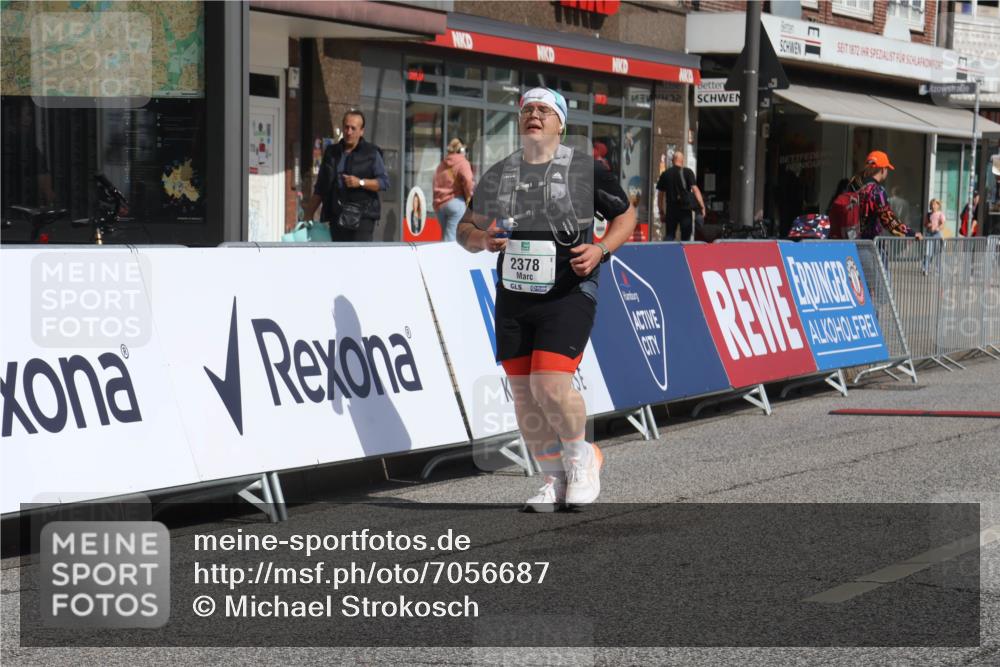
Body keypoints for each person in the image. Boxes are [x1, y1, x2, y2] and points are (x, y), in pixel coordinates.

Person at [456, 87, 636, 512]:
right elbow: (464, 229)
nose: (533, 115)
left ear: (560, 123)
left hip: (569, 291)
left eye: (543, 110)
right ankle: (553, 477)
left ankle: (582, 456)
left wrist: (602, 249)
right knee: (523, 394)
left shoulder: (586, 170)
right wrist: (482, 238)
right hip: (515, 295)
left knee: (550, 385)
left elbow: (626, 216)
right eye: (527, 110)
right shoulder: (500, 174)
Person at [304, 110, 389, 242]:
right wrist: (308, 214)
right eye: (346, 127)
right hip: (336, 218)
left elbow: (383, 182)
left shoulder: (372, 153)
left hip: (362, 220)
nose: (349, 132)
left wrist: (360, 182)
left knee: (359, 259)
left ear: (361, 131)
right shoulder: (331, 152)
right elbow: (321, 186)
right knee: (337, 260)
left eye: (353, 128)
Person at [847, 150, 922, 241]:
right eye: (887, 168)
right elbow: (888, 220)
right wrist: (911, 234)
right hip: (867, 244)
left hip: (849, 241)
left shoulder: (853, 184)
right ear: (883, 169)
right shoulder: (877, 191)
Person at [656, 151, 705, 241]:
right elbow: (695, 190)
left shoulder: (665, 174)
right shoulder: (688, 172)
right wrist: (702, 206)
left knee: (670, 236)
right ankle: (684, 254)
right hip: (685, 210)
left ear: (672, 160)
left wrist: (661, 211)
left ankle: (669, 254)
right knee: (686, 238)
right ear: (682, 160)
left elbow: (660, 195)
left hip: (671, 210)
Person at [433, 138, 475, 242]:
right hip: (455, 203)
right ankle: (448, 257)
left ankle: (443, 256)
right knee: (451, 238)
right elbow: (469, 181)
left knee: (445, 236)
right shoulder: (463, 162)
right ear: (461, 150)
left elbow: (435, 182)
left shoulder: (442, 164)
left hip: (439, 204)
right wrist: (471, 197)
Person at [923, 198, 945, 274]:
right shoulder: (928, 214)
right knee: (928, 252)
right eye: (932, 204)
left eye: (935, 204)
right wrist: (928, 225)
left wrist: (937, 228)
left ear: (938, 205)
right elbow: (925, 224)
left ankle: (937, 270)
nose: (933, 206)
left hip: (936, 234)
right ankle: (925, 269)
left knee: (937, 253)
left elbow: (943, 224)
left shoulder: (940, 214)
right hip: (929, 234)